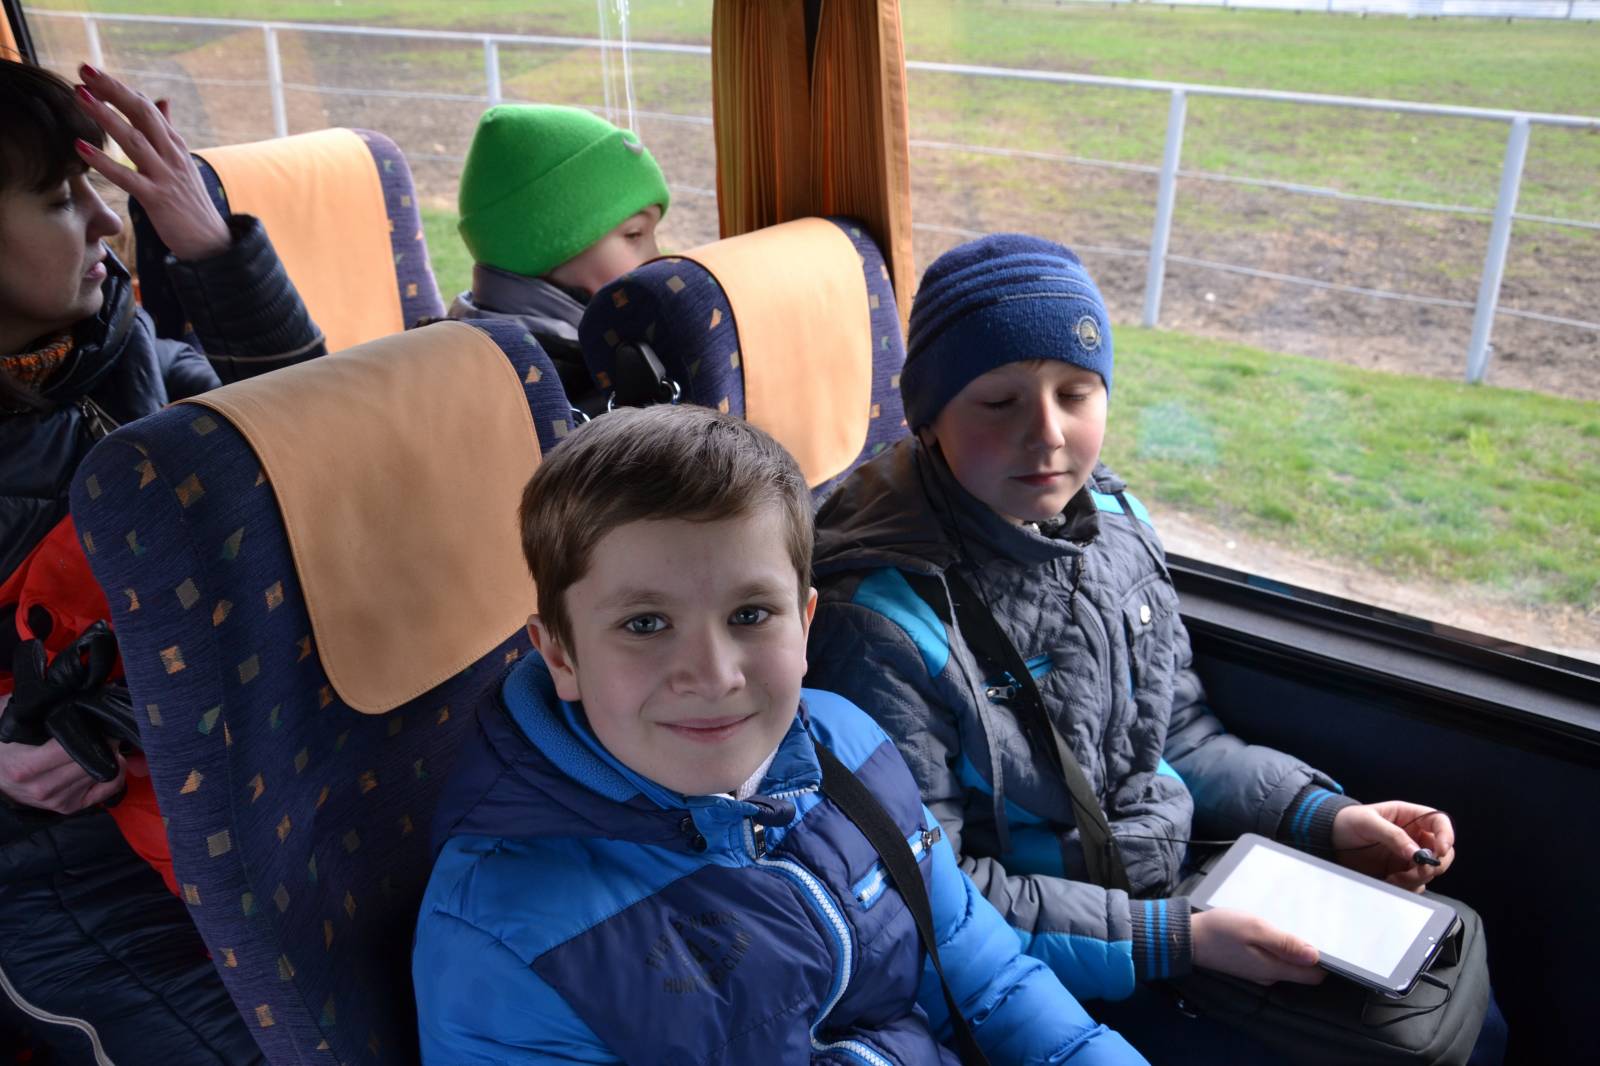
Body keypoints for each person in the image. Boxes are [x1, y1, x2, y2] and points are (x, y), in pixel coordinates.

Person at [804, 234, 1503, 1062]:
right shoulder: (879, 623)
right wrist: (1174, 939)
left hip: (1172, 889)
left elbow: (1175, 734)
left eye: (1076, 393)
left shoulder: (1115, 526)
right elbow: (932, 898)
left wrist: (1321, 818)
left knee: (1460, 1014)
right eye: (998, 402)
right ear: (928, 420)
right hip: (1042, 970)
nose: (1048, 433)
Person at [412, 404, 1148, 1064]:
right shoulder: (506, 939)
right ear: (561, 656)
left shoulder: (849, 745)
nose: (714, 675)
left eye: (750, 615)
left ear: (805, 624)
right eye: (646, 624)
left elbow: (984, 978)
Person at [0, 57, 323, 1063]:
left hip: (245, 792)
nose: (108, 221)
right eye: (64, 199)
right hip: (58, 868)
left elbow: (331, 461)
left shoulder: (129, 360)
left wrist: (214, 252)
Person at [446, 104, 669, 413]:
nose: (657, 258)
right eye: (634, 234)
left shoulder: (601, 344)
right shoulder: (537, 383)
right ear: (539, 246)